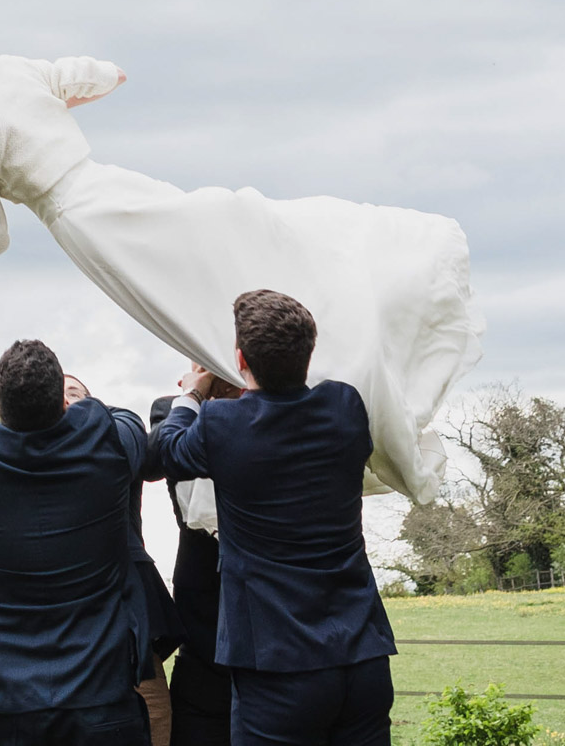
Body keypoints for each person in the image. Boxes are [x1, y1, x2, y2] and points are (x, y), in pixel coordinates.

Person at [0, 12, 482, 506]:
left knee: (194, 311)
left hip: (87, 225)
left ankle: (312, 376)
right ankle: (310, 356)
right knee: (220, 256)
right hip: (112, 183)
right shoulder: (16, 71)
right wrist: (59, 106)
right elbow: (105, 75)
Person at [150, 290, 398, 746]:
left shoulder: (223, 424)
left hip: (276, 664)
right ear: (309, 352)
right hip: (362, 654)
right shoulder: (345, 407)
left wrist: (194, 390)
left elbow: (168, 448)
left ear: (240, 359)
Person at [0, 339, 150, 746]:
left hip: (0, 705)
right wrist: (78, 411)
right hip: (100, 692)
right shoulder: (105, 451)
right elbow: (130, 423)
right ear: (62, 404)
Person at [66, 376, 180, 746]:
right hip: (58, 624)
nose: (66, 399)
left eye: (75, 393)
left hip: (124, 618)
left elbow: (138, 452)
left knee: (152, 712)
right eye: (57, 392)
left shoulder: (114, 437)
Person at [148, 377, 241, 746]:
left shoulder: (268, 409)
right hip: (202, 610)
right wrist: (198, 393)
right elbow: (154, 459)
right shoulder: (172, 408)